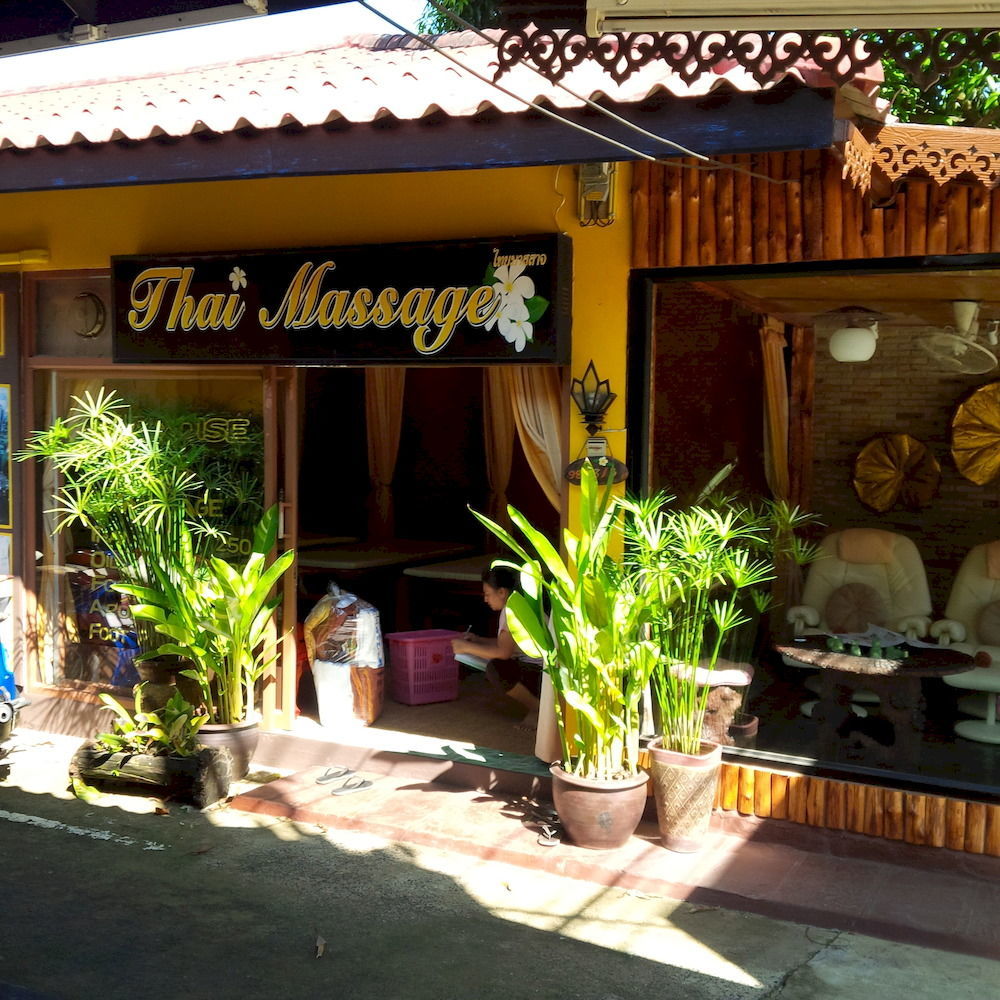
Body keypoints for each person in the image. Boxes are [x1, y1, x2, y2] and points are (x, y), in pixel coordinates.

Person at [450, 566, 542, 730]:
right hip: (541, 673)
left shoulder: (511, 611)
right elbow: (506, 644)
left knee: (497, 669)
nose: (486, 599)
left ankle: (537, 709)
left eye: (488, 594)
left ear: (502, 592)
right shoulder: (518, 604)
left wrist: (467, 648)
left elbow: (503, 652)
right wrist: (478, 641)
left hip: (541, 675)